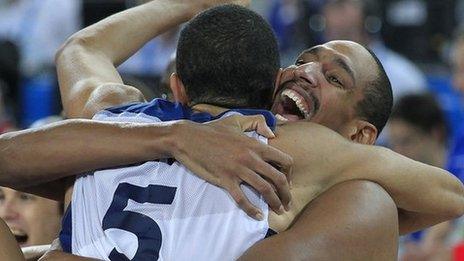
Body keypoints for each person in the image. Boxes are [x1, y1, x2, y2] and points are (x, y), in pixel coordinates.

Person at [0, 0, 463, 259]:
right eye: (301, 60)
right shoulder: (293, 146)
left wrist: (189, 7)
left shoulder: (113, 119)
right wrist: (179, 138)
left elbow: (80, 48)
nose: (306, 73)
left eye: (334, 77)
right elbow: (449, 195)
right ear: (264, 82)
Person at [322, 0, 428, 100]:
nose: (331, 15)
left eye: (341, 7)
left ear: (369, 21)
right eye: (330, 5)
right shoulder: (312, 71)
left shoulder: (402, 77)